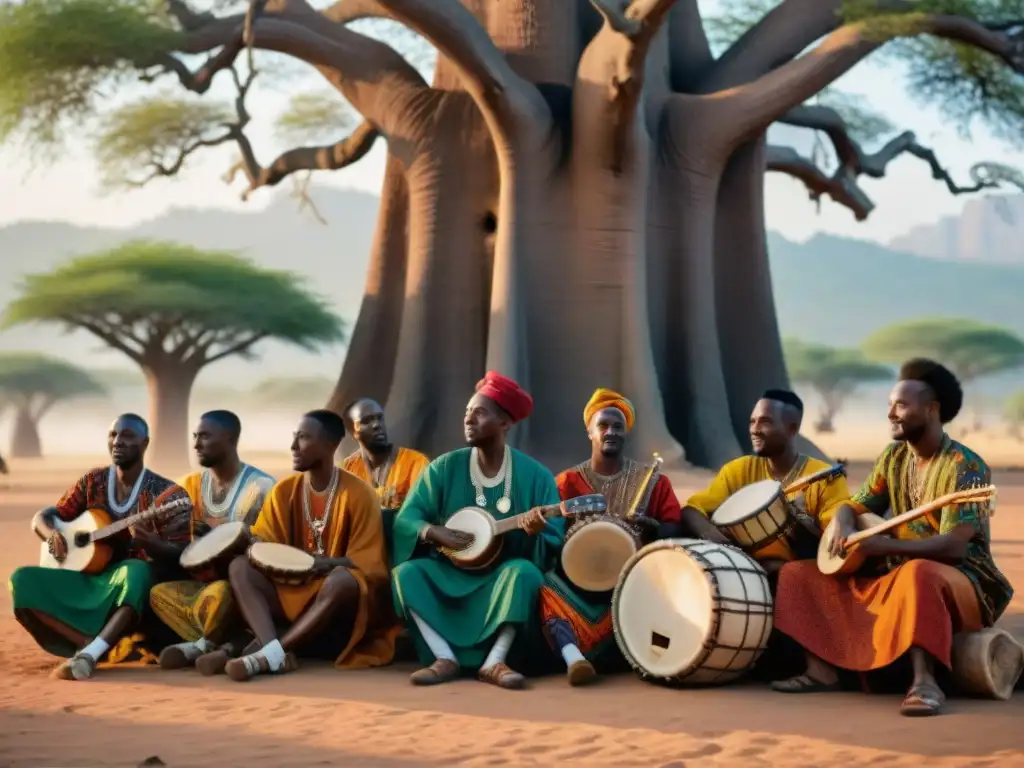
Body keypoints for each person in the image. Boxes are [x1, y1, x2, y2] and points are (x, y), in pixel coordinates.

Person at [770, 359, 1013, 717]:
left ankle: (924, 681)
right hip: (895, 570)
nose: (891, 414)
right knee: (796, 574)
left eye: (901, 405)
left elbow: (953, 546)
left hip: (965, 581)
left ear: (932, 410)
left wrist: (884, 546)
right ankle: (821, 671)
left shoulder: (967, 466)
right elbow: (856, 504)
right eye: (889, 405)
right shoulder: (893, 457)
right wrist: (841, 520)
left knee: (918, 573)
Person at [391, 371, 565, 690]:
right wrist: (432, 531)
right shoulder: (444, 468)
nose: (469, 420)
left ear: (504, 423)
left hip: (501, 577)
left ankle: (495, 661)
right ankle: (443, 658)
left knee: (524, 574)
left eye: (480, 412)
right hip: (450, 573)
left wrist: (537, 532)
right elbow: (407, 519)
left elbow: (555, 536)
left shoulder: (537, 476)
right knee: (407, 574)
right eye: (467, 413)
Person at [8, 414, 192, 680]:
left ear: (145, 443)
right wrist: (51, 535)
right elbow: (46, 516)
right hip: (86, 580)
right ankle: (87, 641)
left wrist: (154, 546)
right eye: (113, 435)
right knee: (21, 580)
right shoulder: (92, 482)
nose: (117, 441)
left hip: (130, 586)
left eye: (127, 436)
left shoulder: (169, 495)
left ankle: (91, 654)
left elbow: (184, 553)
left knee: (135, 570)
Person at [223, 410, 396, 681]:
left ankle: (273, 652)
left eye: (303, 438)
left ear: (330, 445)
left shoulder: (359, 494)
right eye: (294, 437)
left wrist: (323, 564)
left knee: (342, 581)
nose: (293, 447)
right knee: (240, 567)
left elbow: (369, 563)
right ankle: (273, 652)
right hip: (290, 588)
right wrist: (249, 541)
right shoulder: (284, 491)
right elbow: (265, 546)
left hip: (335, 602)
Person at [540, 388, 686, 685]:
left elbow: (675, 526)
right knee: (545, 587)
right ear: (589, 433)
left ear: (626, 434)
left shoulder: (655, 481)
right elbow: (552, 536)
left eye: (618, 426)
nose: (611, 431)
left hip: (637, 579)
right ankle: (574, 657)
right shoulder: (566, 482)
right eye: (603, 425)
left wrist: (651, 526)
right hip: (580, 583)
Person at [149, 410, 276, 674]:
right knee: (158, 594)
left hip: (239, 590)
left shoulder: (262, 488)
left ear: (230, 439)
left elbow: (270, 551)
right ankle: (215, 644)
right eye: (195, 436)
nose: (196, 444)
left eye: (205, 436)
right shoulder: (189, 485)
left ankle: (213, 644)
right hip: (200, 588)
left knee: (221, 594)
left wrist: (225, 543)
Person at [681, 390, 851, 574]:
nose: (755, 429)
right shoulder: (738, 470)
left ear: (792, 429)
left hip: (797, 573)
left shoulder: (823, 477)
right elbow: (693, 508)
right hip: (743, 570)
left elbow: (835, 531)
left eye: (765, 422)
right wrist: (710, 533)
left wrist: (802, 521)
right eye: (752, 422)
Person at [340, 398, 430, 557]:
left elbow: (423, 513)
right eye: (367, 421)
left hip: (405, 552)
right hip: (361, 553)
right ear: (353, 432)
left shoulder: (415, 462)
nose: (376, 425)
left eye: (379, 418)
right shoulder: (346, 470)